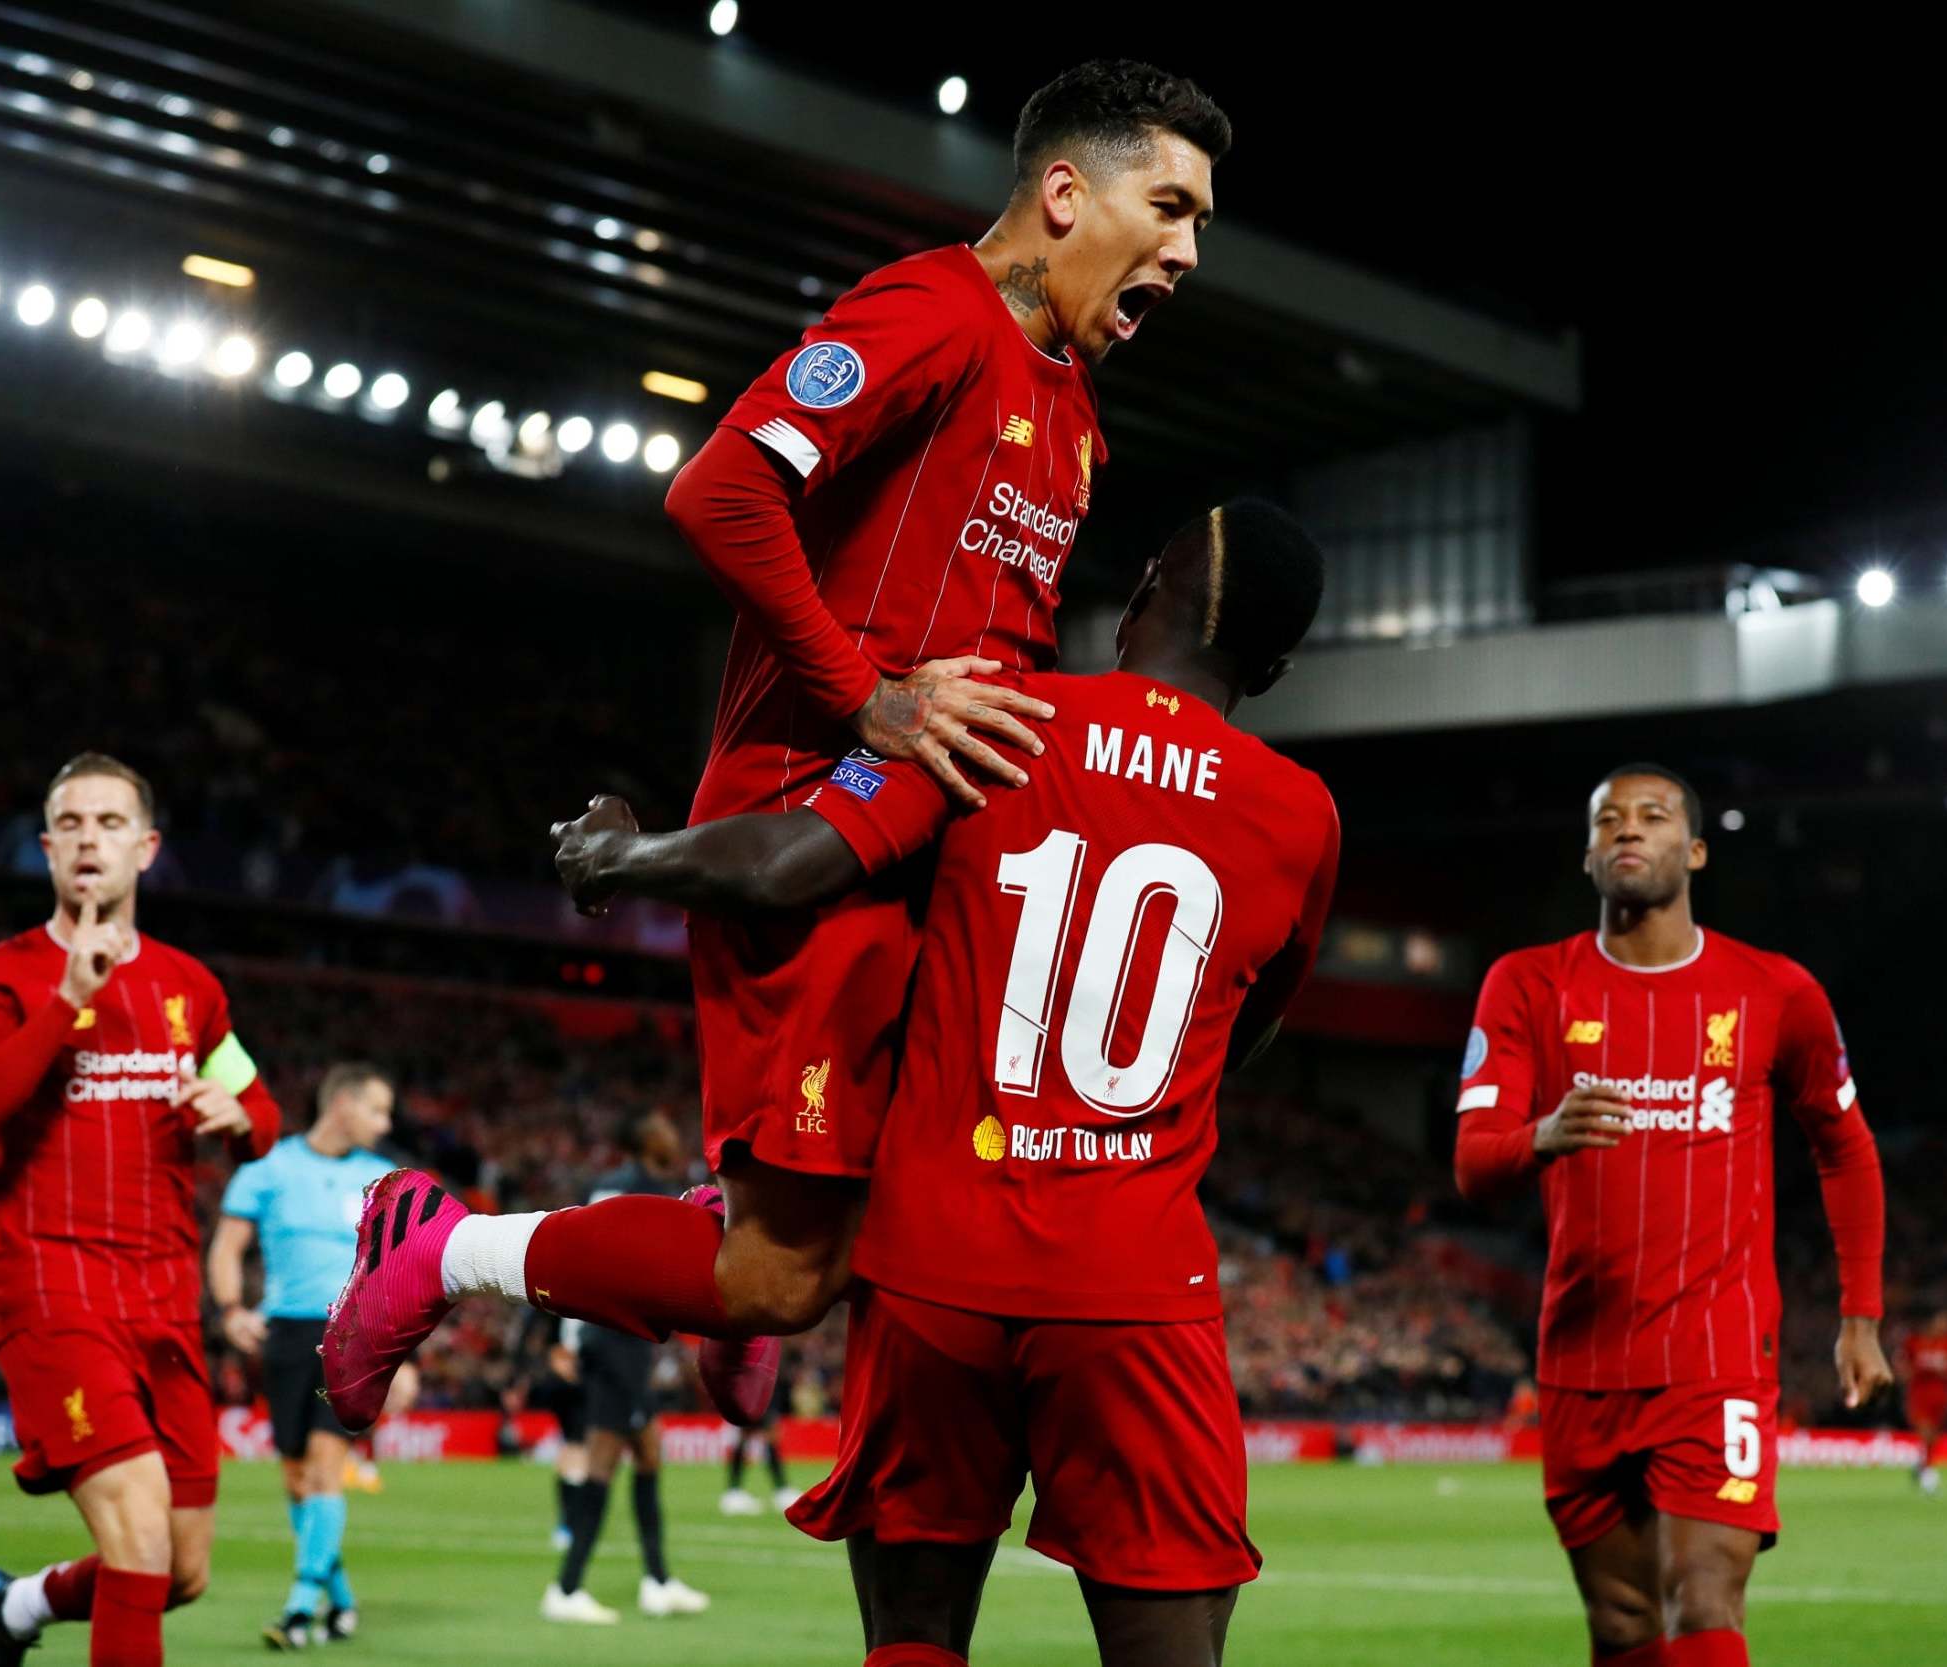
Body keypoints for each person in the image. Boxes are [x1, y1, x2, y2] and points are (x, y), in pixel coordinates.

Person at [322, 60, 1232, 1437]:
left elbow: (1001, 656)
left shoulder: (1075, 415)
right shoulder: (929, 314)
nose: (1185, 249)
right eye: (1167, 206)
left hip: (920, 841)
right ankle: (439, 1241)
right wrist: (865, 694)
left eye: (1201, 222)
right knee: (775, 1279)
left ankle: (703, 1241)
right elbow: (721, 487)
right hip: (810, 819)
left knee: (937, 1200)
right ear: (1063, 192)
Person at [330, 500, 1338, 1667]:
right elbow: (1244, 1030)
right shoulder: (1299, 815)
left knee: (910, 1637)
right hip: (1132, 1282)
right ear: (1270, 666)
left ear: (1146, 583)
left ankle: (672, 1213)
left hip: (934, 1265)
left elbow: (786, 864)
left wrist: (623, 854)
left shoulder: (1008, 718)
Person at [1453, 765, 1895, 1667]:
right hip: (1580, 1360)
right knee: (1621, 1623)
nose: (1629, 830)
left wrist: (1861, 1314)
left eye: (1653, 817)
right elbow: (1472, 1163)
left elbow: (1845, 1145)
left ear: (1693, 850)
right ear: (1587, 855)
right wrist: (1540, 1135)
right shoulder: (1527, 985)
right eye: (1608, 820)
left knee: (1703, 1599)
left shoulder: (1775, 992)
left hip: (1715, 1353)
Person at [0, 753, 280, 1667]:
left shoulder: (190, 989)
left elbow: (267, 1114)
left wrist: (241, 1117)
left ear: (147, 847)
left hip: (165, 1303)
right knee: (137, 1534)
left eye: (111, 822)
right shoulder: (2, 975)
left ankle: (16, 1606)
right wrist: (65, 1003)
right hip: (55, 1290)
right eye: (72, 825)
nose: (91, 838)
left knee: (181, 1570)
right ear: (48, 849)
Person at [207, 1062, 401, 1648]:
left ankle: (298, 1608)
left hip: (353, 1333)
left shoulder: (386, 1179)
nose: (385, 1122)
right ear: (342, 1105)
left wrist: (406, 1355)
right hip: (286, 1336)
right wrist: (230, 1307)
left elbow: (401, 1272)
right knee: (295, 1477)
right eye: (376, 1109)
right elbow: (227, 1246)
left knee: (323, 1464)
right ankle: (339, 1601)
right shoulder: (268, 1168)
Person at [540, 1111, 711, 1624]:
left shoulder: (622, 1187)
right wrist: (570, 1336)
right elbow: (583, 1259)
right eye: (661, 1126)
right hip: (615, 1339)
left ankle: (657, 1580)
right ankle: (567, 1589)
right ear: (644, 1139)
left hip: (625, 1339)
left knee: (649, 1452)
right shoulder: (636, 1191)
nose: (671, 1132)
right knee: (602, 1460)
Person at [1901, 1308, 1947, 1495]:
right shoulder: (1913, 1342)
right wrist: (1917, 1371)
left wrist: (1945, 1371)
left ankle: (1921, 1466)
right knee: (1925, 1432)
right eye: (1943, 1321)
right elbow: (1904, 1368)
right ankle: (1928, 1475)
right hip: (1919, 1394)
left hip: (1941, 1394)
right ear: (1932, 1322)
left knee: (1934, 1436)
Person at [719, 1409, 801, 1517]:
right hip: (748, 1398)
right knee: (747, 1434)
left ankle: (781, 1490)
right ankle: (733, 1492)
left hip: (752, 1398)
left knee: (764, 1433)